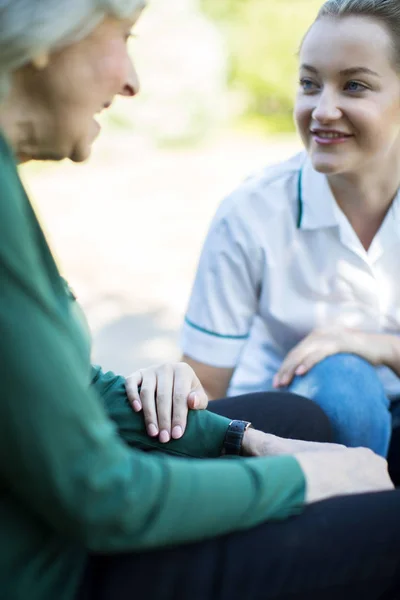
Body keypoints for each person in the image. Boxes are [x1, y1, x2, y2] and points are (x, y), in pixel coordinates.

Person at [0, 1, 399, 600]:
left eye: (356, 85)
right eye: (124, 38)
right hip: (57, 567)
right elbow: (102, 491)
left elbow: (71, 389)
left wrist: (247, 439)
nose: (133, 80)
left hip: (69, 520)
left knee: (303, 421)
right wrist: (301, 475)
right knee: (347, 407)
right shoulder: (253, 211)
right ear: (43, 44)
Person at [175, 0, 400, 458]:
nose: (322, 110)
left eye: (354, 86)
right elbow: (204, 388)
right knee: (344, 380)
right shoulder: (250, 214)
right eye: (309, 84)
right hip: (303, 429)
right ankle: (356, 518)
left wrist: (369, 343)